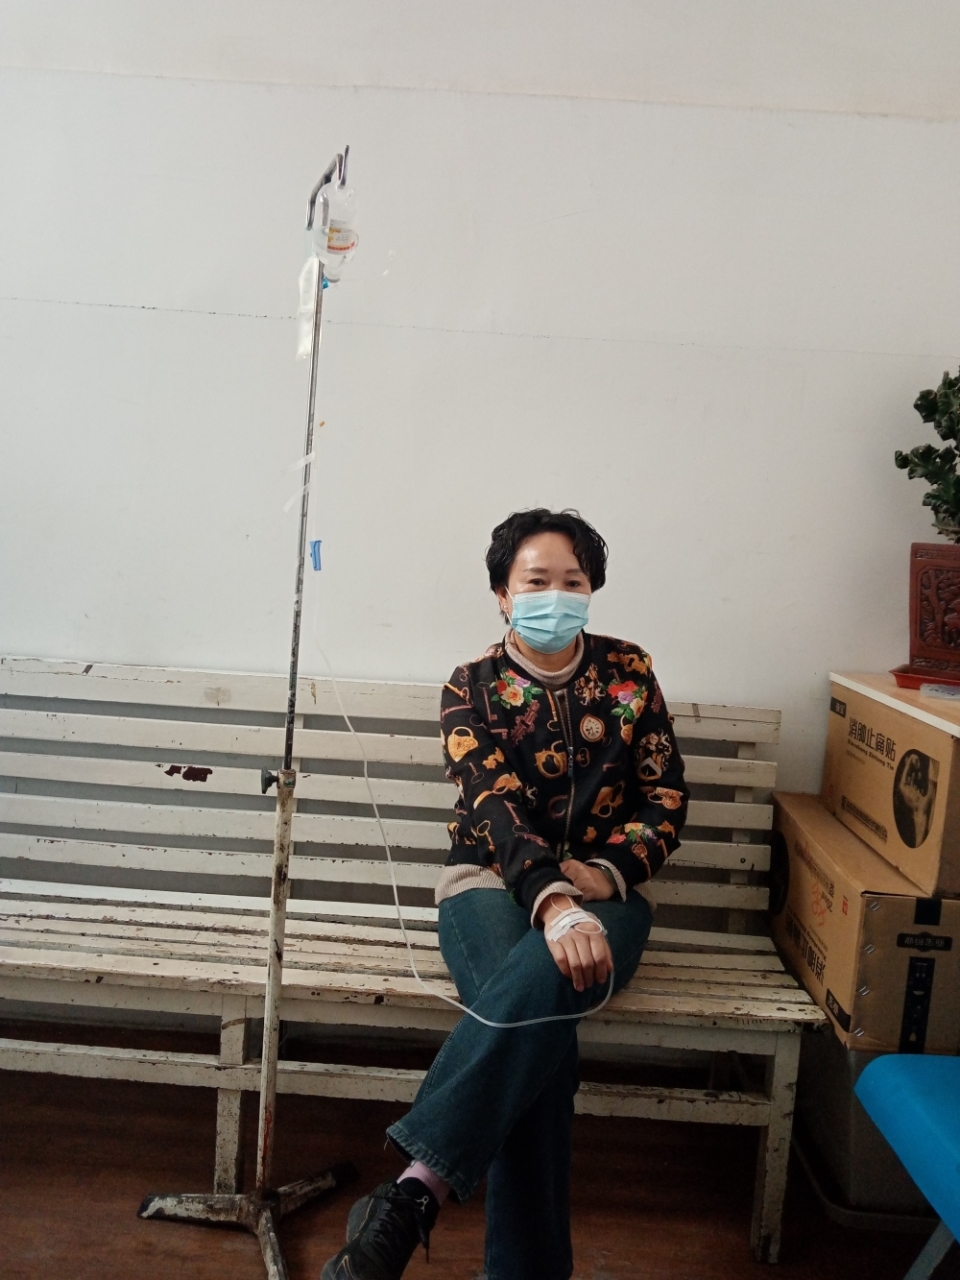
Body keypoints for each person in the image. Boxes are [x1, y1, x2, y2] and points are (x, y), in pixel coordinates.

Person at [321, 508, 690, 1280]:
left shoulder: (631, 675)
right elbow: (493, 806)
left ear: (593, 589)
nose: (557, 596)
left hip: (607, 893)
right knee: (540, 1033)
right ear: (501, 593)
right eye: (536, 581)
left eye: (573, 581)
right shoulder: (471, 688)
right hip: (487, 883)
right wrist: (552, 901)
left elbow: (665, 798)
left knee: (530, 1013)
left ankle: (410, 1194)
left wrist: (606, 873)